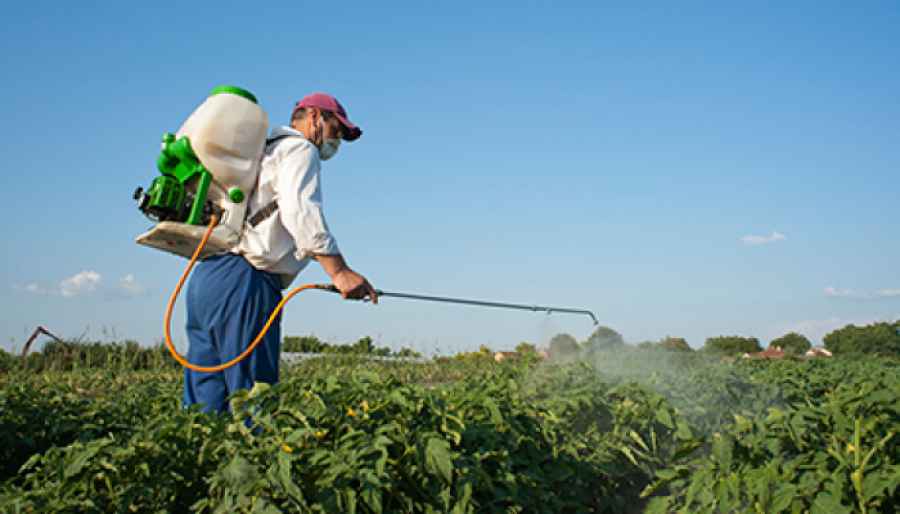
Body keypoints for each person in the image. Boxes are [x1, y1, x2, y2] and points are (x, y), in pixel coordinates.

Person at [182, 92, 377, 413]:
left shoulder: (261, 152)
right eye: (336, 130)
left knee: (205, 401)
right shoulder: (300, 149)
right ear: (315, 117)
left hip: (208, 275)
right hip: (246, 282)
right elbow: (301, 211)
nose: (337, 140)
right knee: (253, 399)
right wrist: (339, 272)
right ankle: (254, 463)